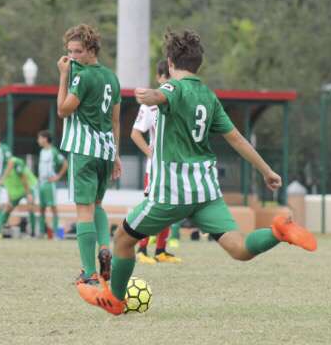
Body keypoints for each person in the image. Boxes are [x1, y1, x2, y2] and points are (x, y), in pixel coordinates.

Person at [77, 29, 317, 315]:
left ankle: (115, 300)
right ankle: (278, 231)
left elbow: (162, 95)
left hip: (172, 192)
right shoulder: (209, 96)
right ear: (199, 63)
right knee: (239, 249)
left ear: (170, 62)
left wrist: (148, 96)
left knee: (123, 240)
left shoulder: (173, 88)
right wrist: (267, 171)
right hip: (206, 190)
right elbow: (237, 138)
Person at [56, 24, 122, 284]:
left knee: (83, 211)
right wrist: (116, 155)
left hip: (83, 151)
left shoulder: (81, 78)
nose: (72, 57)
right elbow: (116, 121)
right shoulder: (112, 78)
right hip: (105, 152)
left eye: (78, 51)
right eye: (69, 52)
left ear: (92, 50)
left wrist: (63, 76)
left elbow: (63, 110)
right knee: (97, 207)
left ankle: (88, 272)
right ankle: (105, 248)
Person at [131, 60, 181, 264]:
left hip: (174, 167)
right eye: (166, 77)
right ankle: (141, 250)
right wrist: (150, 154)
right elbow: (135, 134)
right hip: (156, 169)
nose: (169, 81)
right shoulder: (150, 105)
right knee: (152, 209)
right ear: (159, 78)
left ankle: (161, 250)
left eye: (172, 77)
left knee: (170, 208)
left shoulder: (178, 102)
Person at [37, 130, 68, 238]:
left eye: (40, 138)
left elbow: (65, 163)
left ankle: (55, 233)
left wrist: (58, 176)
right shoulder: (42, 152)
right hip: (41, 183)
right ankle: (41, 232)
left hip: (50, 184)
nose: (38, 140)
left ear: (45, 139)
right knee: (41, 208)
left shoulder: (53, 151)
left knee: (53, 207)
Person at [0, 156, 40, 238]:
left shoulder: (17, 163)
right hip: (16, 191)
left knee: (30, 207)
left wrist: (28, 194)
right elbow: (8, 185)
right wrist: (9, 199)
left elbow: (24, 178)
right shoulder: (2, 170)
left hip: (28, 187)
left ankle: (33, 233)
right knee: (8, 208)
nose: (9, 163)